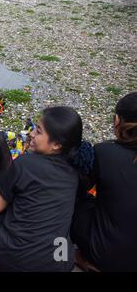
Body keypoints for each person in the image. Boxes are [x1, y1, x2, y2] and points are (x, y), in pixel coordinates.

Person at [0, 106, 85, 272]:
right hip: (58, 266)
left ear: (57, 144)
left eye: (38, 131)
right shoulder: (74, 176)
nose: (31, 134)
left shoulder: (24, 163)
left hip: (7, 261)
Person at [71, 91, 137, 272]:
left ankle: (84, 257)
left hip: (106, 256)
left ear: (117, 120)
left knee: (80, 198)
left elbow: (81, 188)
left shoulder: (106, 152)